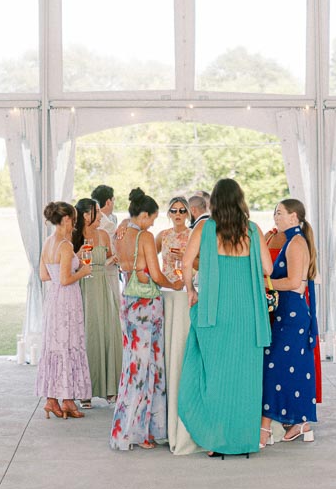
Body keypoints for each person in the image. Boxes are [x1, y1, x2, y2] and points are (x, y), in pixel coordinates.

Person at [178, 178, 272, 457]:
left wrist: (190, 291)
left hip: (215, 312)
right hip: (247, 314)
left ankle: (216, 439)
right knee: (246, 379)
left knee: (216, 377)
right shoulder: (253, 230)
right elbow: (267, 267)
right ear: (241, 200)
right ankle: (244, 440)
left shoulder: (205, 228)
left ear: (213, 202)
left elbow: (185, 262)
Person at [109, 189, 183, 450]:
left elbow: (123, 264)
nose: (153, 223)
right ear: (143, 215)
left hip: (128, 300)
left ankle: (129, 427)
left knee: (132, 363)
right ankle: (143, 432)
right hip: (146, 304)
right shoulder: (145, 236)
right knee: (147, 366)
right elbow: (155, 272)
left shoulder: (120, 234)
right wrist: (174, 285)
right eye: (152, 217)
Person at [260, 199, 319, 444]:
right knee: (292, 368)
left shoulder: (295, 243)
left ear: (294, 217)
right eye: (275, 213)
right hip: (287, 313)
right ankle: (301, 423)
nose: (276, 217)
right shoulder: (291, 241)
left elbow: (295, 282)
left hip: (293, 315)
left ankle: (264, 430)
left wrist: (265, 284)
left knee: (273, 367)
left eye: (280, 213)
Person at [36, 201, 93, 420]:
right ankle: (66, 399)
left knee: (56, 345)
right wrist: (83, 270)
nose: (75, 225)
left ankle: (54, 399)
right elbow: (66, 279)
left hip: (53, 299)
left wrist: (63, 275)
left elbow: (44, 275)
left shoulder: (48, 243)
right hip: (67, 300)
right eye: (74, 220)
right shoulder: (65, 245)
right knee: (69, 344)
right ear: (67, 219)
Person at [77, 197, 121, 408]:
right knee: (88, 335)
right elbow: (68, 263)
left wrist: (114, 259)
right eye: (96, 211)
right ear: (86, 215)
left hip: (103, 286)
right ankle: (85, 391)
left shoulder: (103, 234)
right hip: (83, 289)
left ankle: (111, 389)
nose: (100, 215)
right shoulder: (75, 237)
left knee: (108, 333)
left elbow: (112, 257)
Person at [156, 196, 191, 278]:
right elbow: (148, 258)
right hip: (166, 286)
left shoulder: (193, 235)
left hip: (188, 285)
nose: (178, 213)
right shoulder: (162, 235)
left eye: (182, 210)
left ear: (187, 213)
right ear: (169, 214)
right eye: (174, 210)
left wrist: (185, 258)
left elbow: (203, 264)